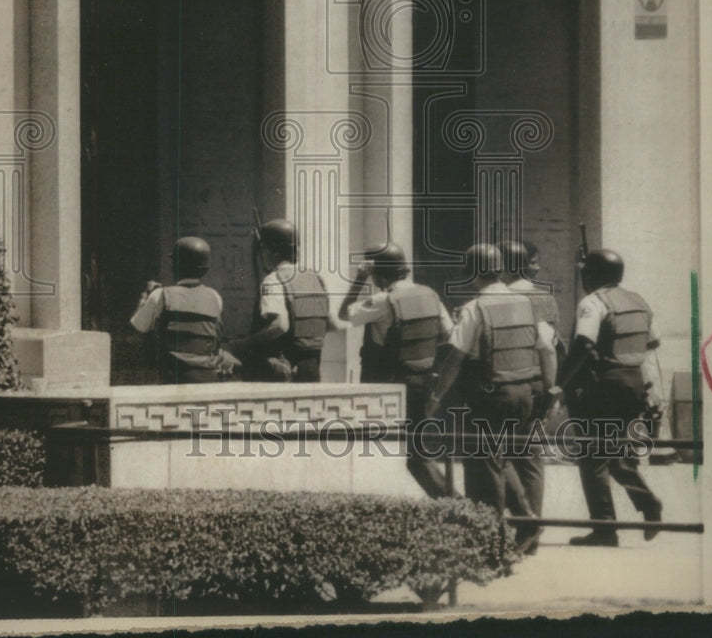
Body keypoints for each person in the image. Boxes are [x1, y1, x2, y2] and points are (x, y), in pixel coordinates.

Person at [426, 244, 557, 547]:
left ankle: (491, 541)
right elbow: (547, 348)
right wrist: (549, 392)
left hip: (490, 396)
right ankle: (526, 522)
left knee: (484, 467)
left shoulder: (475, 308)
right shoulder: (527, 303)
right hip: (527, 392)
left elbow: (455, 358)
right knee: (504, 459)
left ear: (473, 273)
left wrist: (436, 396)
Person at [558, 248, 663, 546]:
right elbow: (652, 343)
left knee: (593, 457)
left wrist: (559, 383)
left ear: (589, 275)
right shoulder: (638, 301)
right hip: (632, 383)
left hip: (601, 386)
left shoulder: (592, 302)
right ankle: (648, 504)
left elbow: (583, 344)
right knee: (618, 455)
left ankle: (605, 528)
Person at [339, 241, 453, 498]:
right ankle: (453, 504)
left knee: (386, 454)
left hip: (389, 388)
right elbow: (447, 335)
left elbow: (344, 314)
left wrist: (359, 279)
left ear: (378, 273)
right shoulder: (430, 294)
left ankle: (454, 504)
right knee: (417, 452)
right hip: (423, 383)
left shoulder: (383, 300)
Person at [497, 240, 563, 534]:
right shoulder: (546, 299)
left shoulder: (496, 299)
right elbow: (552, 346)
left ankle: (515, 524)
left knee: (496, 455)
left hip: (506, 383)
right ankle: (532, 527)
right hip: (539, 382)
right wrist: (553, 390)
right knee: (532, 459)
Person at [230, 218, 337, 382]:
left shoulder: (273, 280)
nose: (262, 254)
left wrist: (244, 343)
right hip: (312, 371)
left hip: (281, 371)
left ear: (274, 252)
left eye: (263, 249)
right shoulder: (315, 278)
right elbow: (330, 324)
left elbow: (280, 325)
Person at [129, 236, 240, 383]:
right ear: (206, 268)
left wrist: (144, 300)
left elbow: (138, 328)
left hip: (172, 378)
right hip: (208, 378)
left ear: (175, 265)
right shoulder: (215, 297)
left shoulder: (160, 295)